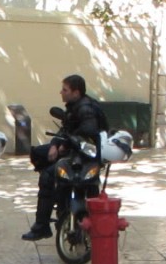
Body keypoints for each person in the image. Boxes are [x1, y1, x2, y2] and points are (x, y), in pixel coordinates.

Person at [21, 74, 108, 241]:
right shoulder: (75, 106)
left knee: (47, 176)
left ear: (76, 92)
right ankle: (58, 198)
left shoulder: (85, 109)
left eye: (65, 89)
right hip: (73, 150)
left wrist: (65, 145)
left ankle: (42, 226)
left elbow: (86, 133)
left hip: (83, 156)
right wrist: (55, 144)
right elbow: (66, 130)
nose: (61, 92)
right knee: (38, 153)